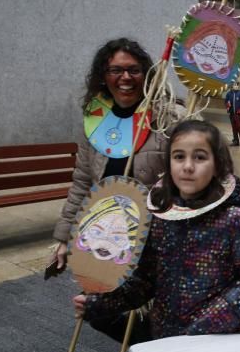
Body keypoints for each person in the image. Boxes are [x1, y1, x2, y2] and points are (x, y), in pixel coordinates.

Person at [73, 120, 240, 337]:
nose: (188, 166)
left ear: (217, 164)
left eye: (200, 157)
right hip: (165, 337)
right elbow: (146, 279)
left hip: (218, 342)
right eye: (179, 156)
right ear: (168, 163)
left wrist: (210, 322)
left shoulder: (236, 220)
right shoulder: (161, 217)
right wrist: (100, 303)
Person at [50, 39, 175, 303]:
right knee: (101, 312)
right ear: (103, 76)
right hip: (108, 236)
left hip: (153, 240)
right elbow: (83, 184)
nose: (125, 78)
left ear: (147, 74)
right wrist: (64, 238)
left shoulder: (167, 117)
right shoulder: (95, 120)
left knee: (149, 317)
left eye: (134, 70)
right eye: (116, 70)